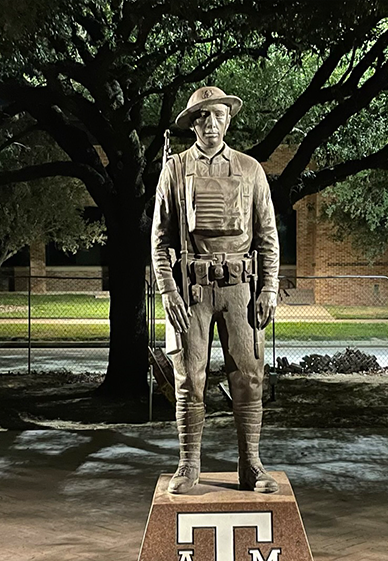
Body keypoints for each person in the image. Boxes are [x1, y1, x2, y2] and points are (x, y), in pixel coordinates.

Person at [151, 85, 280, 495]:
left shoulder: (250, 169)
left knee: (249, 377)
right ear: (192, 124)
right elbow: (159, 240)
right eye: (203, 117)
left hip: (241, 288)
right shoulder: (174, 170)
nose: (211, 124)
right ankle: (188, 465)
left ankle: (251, 464)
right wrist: (168, 290)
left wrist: (269, 289)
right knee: (190, 378)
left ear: (228, 119)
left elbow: (268, 237)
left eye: (218, 115)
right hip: (191, 289)